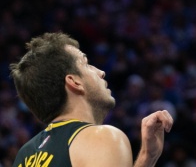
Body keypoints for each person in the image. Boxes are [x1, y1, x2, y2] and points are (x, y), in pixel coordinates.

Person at [9, 32, 173, 167]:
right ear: (74, 82)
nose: (101, 72)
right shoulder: (103, 138)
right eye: (86, 64)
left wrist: (146, 157)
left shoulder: (24, 155)